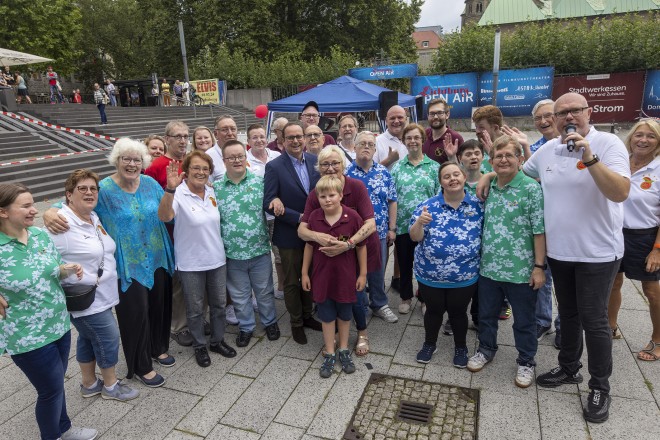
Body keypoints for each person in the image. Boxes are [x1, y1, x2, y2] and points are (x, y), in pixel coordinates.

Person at [519, 92, 630, 423]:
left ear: (588, 112)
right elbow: (523, 175)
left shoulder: (608, 144)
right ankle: (569, 368)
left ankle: (600, 387)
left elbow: (620, 192)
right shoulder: (548, 150)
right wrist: (488, 176)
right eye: (560, 113)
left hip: (597, 252)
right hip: (560, 252)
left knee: (594, 321)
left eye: (574, 111)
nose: (568, 117)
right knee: (567, 316)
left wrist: (589, 155)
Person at [44, 138, 176, 388]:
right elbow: (70, 203)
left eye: (137, 159)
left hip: (157, 254)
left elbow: (166, 214)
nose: (131, 163)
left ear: (143, 162)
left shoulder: (149, 183)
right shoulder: (102, 188)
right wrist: (49, 212)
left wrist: (170, 190)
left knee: (159, 305)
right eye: (126, 158)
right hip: (127, 262)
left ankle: (158, 348)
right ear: (116, 160)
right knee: (135, 313)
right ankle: (140, 366)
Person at [0, 183, 98, 440]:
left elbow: (54, 268)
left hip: (58, 324)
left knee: (56, 385)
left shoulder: (39, 235)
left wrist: (68, 268)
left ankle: (63, 428)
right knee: (50, 390)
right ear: (3, 212)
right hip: (26, 335)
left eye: (33, 204)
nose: (35, 210)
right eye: (26, 206)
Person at [49, 170, 139, 402]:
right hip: (85, 298)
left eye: (93, 189)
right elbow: (32, 249)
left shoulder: (92, 217)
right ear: (69, 195)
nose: (89, 192)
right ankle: (110, 385)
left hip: (101, 294)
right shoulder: (62, 223)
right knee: (108, 337)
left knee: (88, 338)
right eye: (82, 189)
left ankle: (89, 384)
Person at [467, 136, 546, 389]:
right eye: (498, 156)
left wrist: (539, 267)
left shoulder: (531, 189)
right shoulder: (489, 188)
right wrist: (487, 177)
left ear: (520, 159)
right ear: (491, 162)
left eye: (509, 155)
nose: (503, 160)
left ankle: (526, 361)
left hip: (521, 271)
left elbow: (539, 231)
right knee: (487, 315)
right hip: (489, 267)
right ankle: (487, 349)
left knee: (524, 320)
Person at [158, 151, 237, 367]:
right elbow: (165, 216)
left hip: (217, 259)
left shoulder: (212, 192)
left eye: (205, 169)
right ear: (187, 170)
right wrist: (170, 189)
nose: (201, 172)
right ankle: (199, 345)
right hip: (190, 262)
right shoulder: (178, 194)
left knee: (219, 304)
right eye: (196, 168)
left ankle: (217, 340)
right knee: (195, 308)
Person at [299, 145, 379, 356]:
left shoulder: (357, 186)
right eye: (325, 163)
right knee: (335, 295)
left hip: (357, 248)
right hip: (328, 259)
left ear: (343, 165)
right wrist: (318, 236)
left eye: (335, 163)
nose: (331, 167)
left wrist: (349, 244)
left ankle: (361, 332)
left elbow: (371, 224)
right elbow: (303, 230)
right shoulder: (318, 192)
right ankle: (336, 335)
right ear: (319, 168)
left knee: (357, 295)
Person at [411, 162, 484, 368]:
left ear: (463, 177)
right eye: (446, 176)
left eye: (456, 174)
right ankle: (429, 344)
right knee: (433, 311)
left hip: (464, 275)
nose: (452, 179)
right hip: (430, 273)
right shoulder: (428, 206)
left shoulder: (477, 206)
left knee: (458, 312)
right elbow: (415, 237)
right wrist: (419, 223)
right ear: (440, 181)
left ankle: (461, 347)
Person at [214, 140, 281, 348]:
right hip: (232, 253)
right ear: (224, 161)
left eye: (240, 156)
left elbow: (273, 202)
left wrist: (277, 199)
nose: (236, 160)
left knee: (264, 290)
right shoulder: (215, 189)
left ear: (246, 157)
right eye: (231, 157)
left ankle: (270, 322)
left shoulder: (260, 183)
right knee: (239, 294)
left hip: (259, 249)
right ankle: (246, 327)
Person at [301, 176, 367, 378]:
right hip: (322, 277)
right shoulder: (314, 218)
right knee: (327, 315)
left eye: (332, 195)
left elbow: (361, 246)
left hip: (346, 277)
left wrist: (362, 273)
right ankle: (330, 351)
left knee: (345, 315)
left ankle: (344, 349)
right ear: (317, 198)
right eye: (323, 196)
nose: (327, 199)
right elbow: (309, 246)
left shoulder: (353, 216)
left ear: (340, 195)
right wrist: (304, 272)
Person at [264, 121, 322, 345]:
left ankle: (308, 316)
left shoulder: (316, 162)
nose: (296, 141)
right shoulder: (274, 167)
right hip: (289, 234)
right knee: (291, 281)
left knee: (310, 277)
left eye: (300, 136)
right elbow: (268, 201)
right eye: (291, 137)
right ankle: (296, 323)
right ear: (283, 140)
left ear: (306, 138)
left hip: (314, 233)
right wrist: (297, 217)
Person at [608, 119, 660, 361]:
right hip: (614, 232)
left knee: (651, 291)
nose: (643, 140)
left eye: (651, 136)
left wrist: (657, 249)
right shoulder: (621, 162)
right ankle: (611, 327)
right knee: (613, 283)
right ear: (631, 137)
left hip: (645, 237)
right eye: (639, 135)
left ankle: (658, 339)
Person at [145, 121, 201, 346]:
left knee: (195, 280)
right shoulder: (156, 165)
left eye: (186, 136)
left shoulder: (189, 162)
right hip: (169, 233)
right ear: (166, 139)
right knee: (177, 283)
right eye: (177, 136)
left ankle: (195, 319)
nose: (183, 140)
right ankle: (178, 326)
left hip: (193, 230)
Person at [346, 131, 399, 323]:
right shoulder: (346, 174)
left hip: (379, 232)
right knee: (354, 271)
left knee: (377, 270)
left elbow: (392, 201)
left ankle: (379, 304)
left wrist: (392, 228)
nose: (367, 147)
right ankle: (360, 306)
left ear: (375, 149)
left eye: (370, 144)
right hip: (354, 235)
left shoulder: (384, 173)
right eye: (362, 143)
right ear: (354, 147)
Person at [391, 123, 440, 315]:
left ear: (422, 140)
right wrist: (392, 226)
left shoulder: (434, 167)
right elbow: (392, 197)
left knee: (425, 263)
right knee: (404, 262)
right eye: (408, 138)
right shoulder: (397, 168)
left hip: (426, 226)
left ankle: (424, 298)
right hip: (404, 225)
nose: (412, 141)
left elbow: (438, 195)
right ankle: (405, 296)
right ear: (404, 141)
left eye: (416, 137)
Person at [471, 105, 513, 321]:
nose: (477, 132)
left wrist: (491, 169)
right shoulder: (485, 147)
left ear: (495, 127)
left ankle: (504, 302)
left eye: (481, 128)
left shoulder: (511, 147)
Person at [530, 99, 562, 347]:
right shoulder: (536, 148)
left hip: (568, 227)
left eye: (548, 116)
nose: (543, 121)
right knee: (542, 274)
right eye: (538, 118)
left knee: (565, 281)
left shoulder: (578, 144)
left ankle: (564, 325)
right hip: (541, 225)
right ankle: (542, 321)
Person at [246, 124, 284, 299]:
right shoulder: (244, 160)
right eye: (255, 137)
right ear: (248, 141)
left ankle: (281, 287)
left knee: (279, 254)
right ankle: (257, 293)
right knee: (258, 257)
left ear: (267, 139)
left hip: (277, 214)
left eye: (262, 136)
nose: (259, 140)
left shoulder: (276, 156)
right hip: (256, 216)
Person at [422, 97, 464, 164]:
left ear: (447, 115)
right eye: (432, 113)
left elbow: (462, 169)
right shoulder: (423, 135)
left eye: (439, 113)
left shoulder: (455, 138)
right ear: (428, 116)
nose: (435, 117)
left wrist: (452, 157)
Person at [207, 115, 239, 184]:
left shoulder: (244, 153)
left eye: (233, 129)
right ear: (216, 134)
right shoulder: (208, 157)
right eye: (225, 130)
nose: (230, 133)